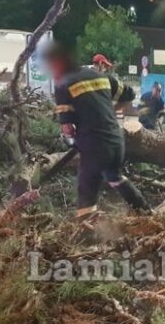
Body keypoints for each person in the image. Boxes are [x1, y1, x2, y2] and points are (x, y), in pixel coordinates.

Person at [44, 43, 151, 220]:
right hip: (116, 141)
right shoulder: (102, 77)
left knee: (86, 187)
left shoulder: (63, 83)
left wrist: (72, 139)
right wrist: (112, 110)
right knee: (114, 176)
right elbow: (130, 95)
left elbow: (67, 127)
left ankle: (88, 232)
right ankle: (146, 212)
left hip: (94, 145)